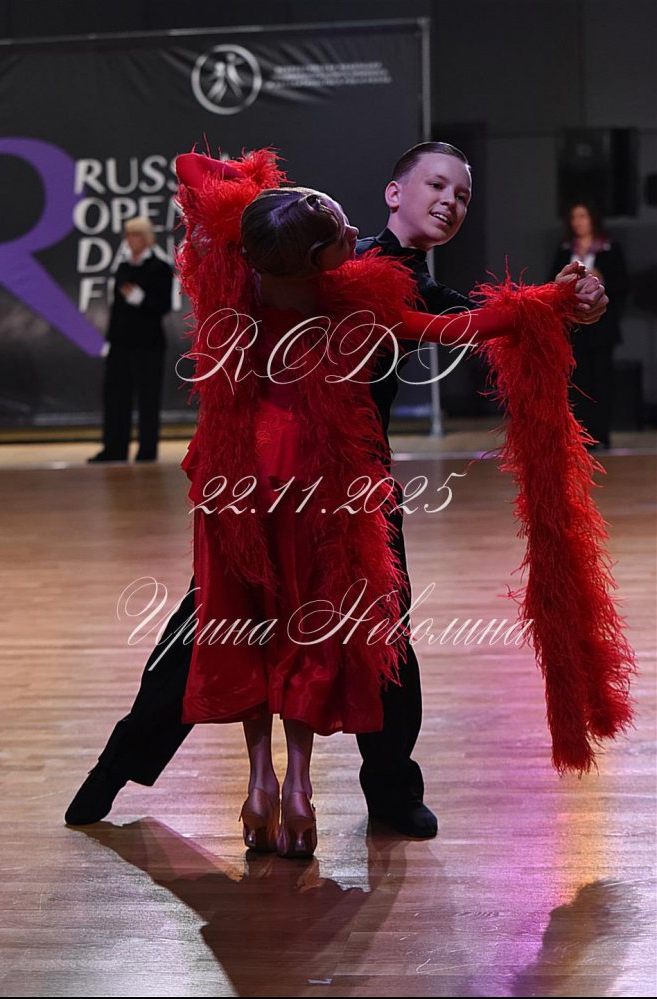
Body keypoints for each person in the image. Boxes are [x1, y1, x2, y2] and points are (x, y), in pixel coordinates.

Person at [65, 143, 607, 847]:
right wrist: (266, 199)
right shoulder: (329, 254)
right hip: (279, 479)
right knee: (209, 624)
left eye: (463, 195)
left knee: (373, 629)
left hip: (346, 486)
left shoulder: (386, 278)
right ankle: (122, 765)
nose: (450, 201)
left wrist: (566, 304)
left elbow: (471, 318)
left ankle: (387, 790)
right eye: (437, 185)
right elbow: (466, 319)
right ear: (393, 193)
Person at [88, 217, 173, 464]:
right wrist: (111, 339)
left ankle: (147, 451)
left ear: (146, 238)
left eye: (135, 235)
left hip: (148, 346)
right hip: (120, 344)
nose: (131, 240)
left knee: (148, 399)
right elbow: (116, 309)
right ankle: (114, 449)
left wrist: (141, 299)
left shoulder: (159, 268)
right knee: (115, 397)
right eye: (128, 235)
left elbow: (163, 305)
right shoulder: (123, 267)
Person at [551, 200, 630, 450]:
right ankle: (581, 436)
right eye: (574, 217)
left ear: (593, 219)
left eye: (583, 216)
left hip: (603, 327)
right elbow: (551, 286)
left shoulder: (609, 248)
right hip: (574, 328)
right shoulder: (565, 250)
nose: (578, 222)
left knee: (602, 381)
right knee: (578, 381)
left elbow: (624, 284)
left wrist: (602, 279)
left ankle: (601, 435)